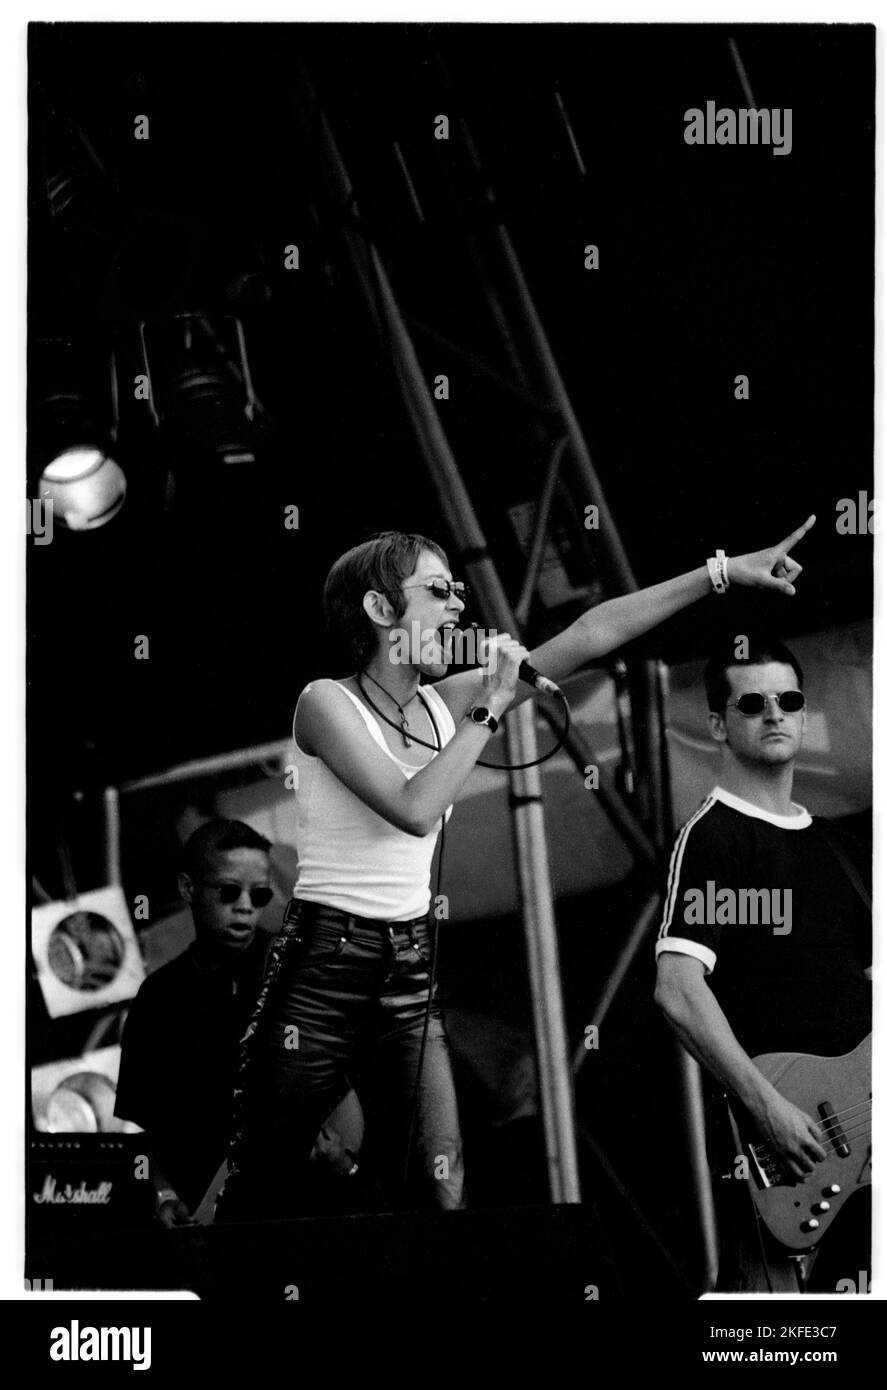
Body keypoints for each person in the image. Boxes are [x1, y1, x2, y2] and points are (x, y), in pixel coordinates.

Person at [219, 520, 816, 1222]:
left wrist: (719, 572)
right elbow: (413, 807)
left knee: (441, 1181)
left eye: (457, 590)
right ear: (381, 611)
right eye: (438, 590)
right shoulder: (326, 703)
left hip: (406, 967)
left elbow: (589, 634)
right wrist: (490, 704)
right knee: (264, 1175)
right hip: (322, 966)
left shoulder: (446, 704)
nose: (457, 607)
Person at [654, 637, 871, 1292]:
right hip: (789, 1144)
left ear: (805, 717)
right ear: (719, 724)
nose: (774, 713)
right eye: (752, 703)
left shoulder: (836, 845)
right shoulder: (716, 837)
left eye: (788, 700)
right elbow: (677, 990)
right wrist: (766, 1107)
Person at [114, 819, 364, 1227]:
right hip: (210, 1222)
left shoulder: (293, 977)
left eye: (259, 894)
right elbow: (147, 1129)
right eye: (229, 892)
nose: (246, 905)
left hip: (302, 1212)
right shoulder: (158, 998)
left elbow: (344, 1102)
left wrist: (343, 1162)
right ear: (188, 889)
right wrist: (162, 1194)